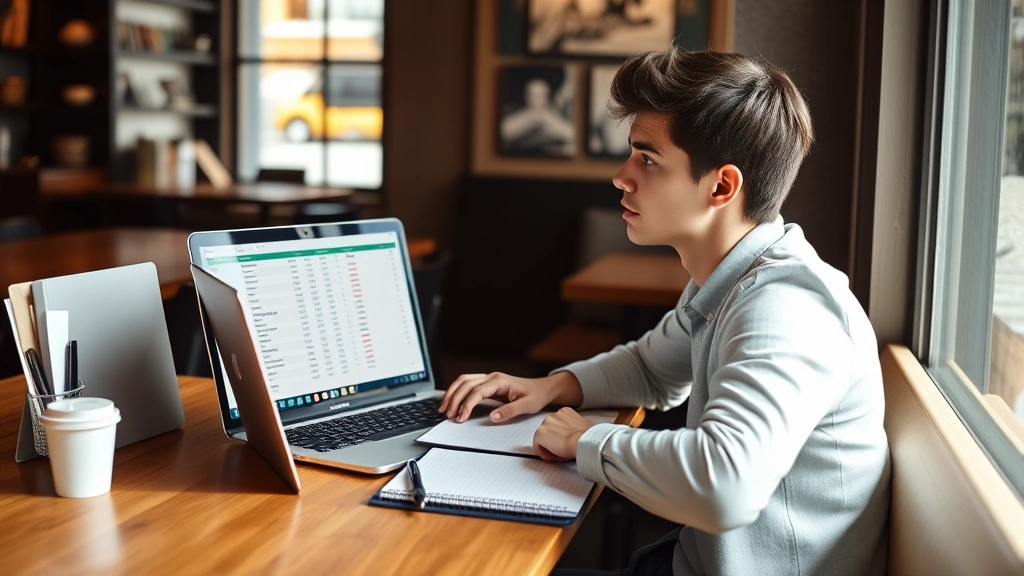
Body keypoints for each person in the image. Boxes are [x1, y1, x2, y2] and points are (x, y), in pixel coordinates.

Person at [441, 48, 890, 576]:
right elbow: (653, 368)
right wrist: (548, 387)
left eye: (647, 159)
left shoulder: (785, 306)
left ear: (721, 186)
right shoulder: (731, 277)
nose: (621, 177)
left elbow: (726, 487)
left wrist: (585, 439)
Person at [499, 77, 575, 155]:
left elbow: (573, 135)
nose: (537, 99)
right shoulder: (516, 111)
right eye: (534, 95)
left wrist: (549, 121)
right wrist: (530, 118)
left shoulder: (554, 113)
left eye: (541, 95)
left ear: (547, 96)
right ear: (526, 96)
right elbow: (503, 132)